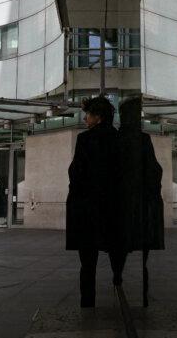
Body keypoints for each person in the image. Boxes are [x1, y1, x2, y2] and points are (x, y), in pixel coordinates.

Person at [66, 96, 122, 307]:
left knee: (88, 262)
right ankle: (120, 291)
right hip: (113, 207)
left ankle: (88, 302)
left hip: (88, 208)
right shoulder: (120, 140)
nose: (84, 119)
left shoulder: (85, 139)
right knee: (115, 253)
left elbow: (76, 173)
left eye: (87, 115)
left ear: (98, 117)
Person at [115, 96, 164, 306]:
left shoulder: (116, 139)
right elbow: (153, 170)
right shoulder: (142, 139)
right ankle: (136, 287)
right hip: (139, 201)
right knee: (139, 243)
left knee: (121, 245)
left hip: (121, 202)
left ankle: (118, 277)